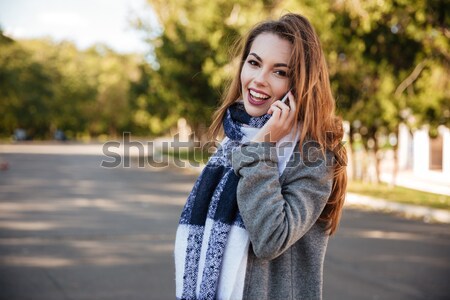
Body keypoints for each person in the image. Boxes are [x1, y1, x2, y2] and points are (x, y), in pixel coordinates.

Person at [175, 12, 347, 300]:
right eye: (254, 63)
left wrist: (264, 146)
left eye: (279, 72)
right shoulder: (236, 140)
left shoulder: (312, 156)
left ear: (301, 85)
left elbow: (270, 238)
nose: (259, 80)